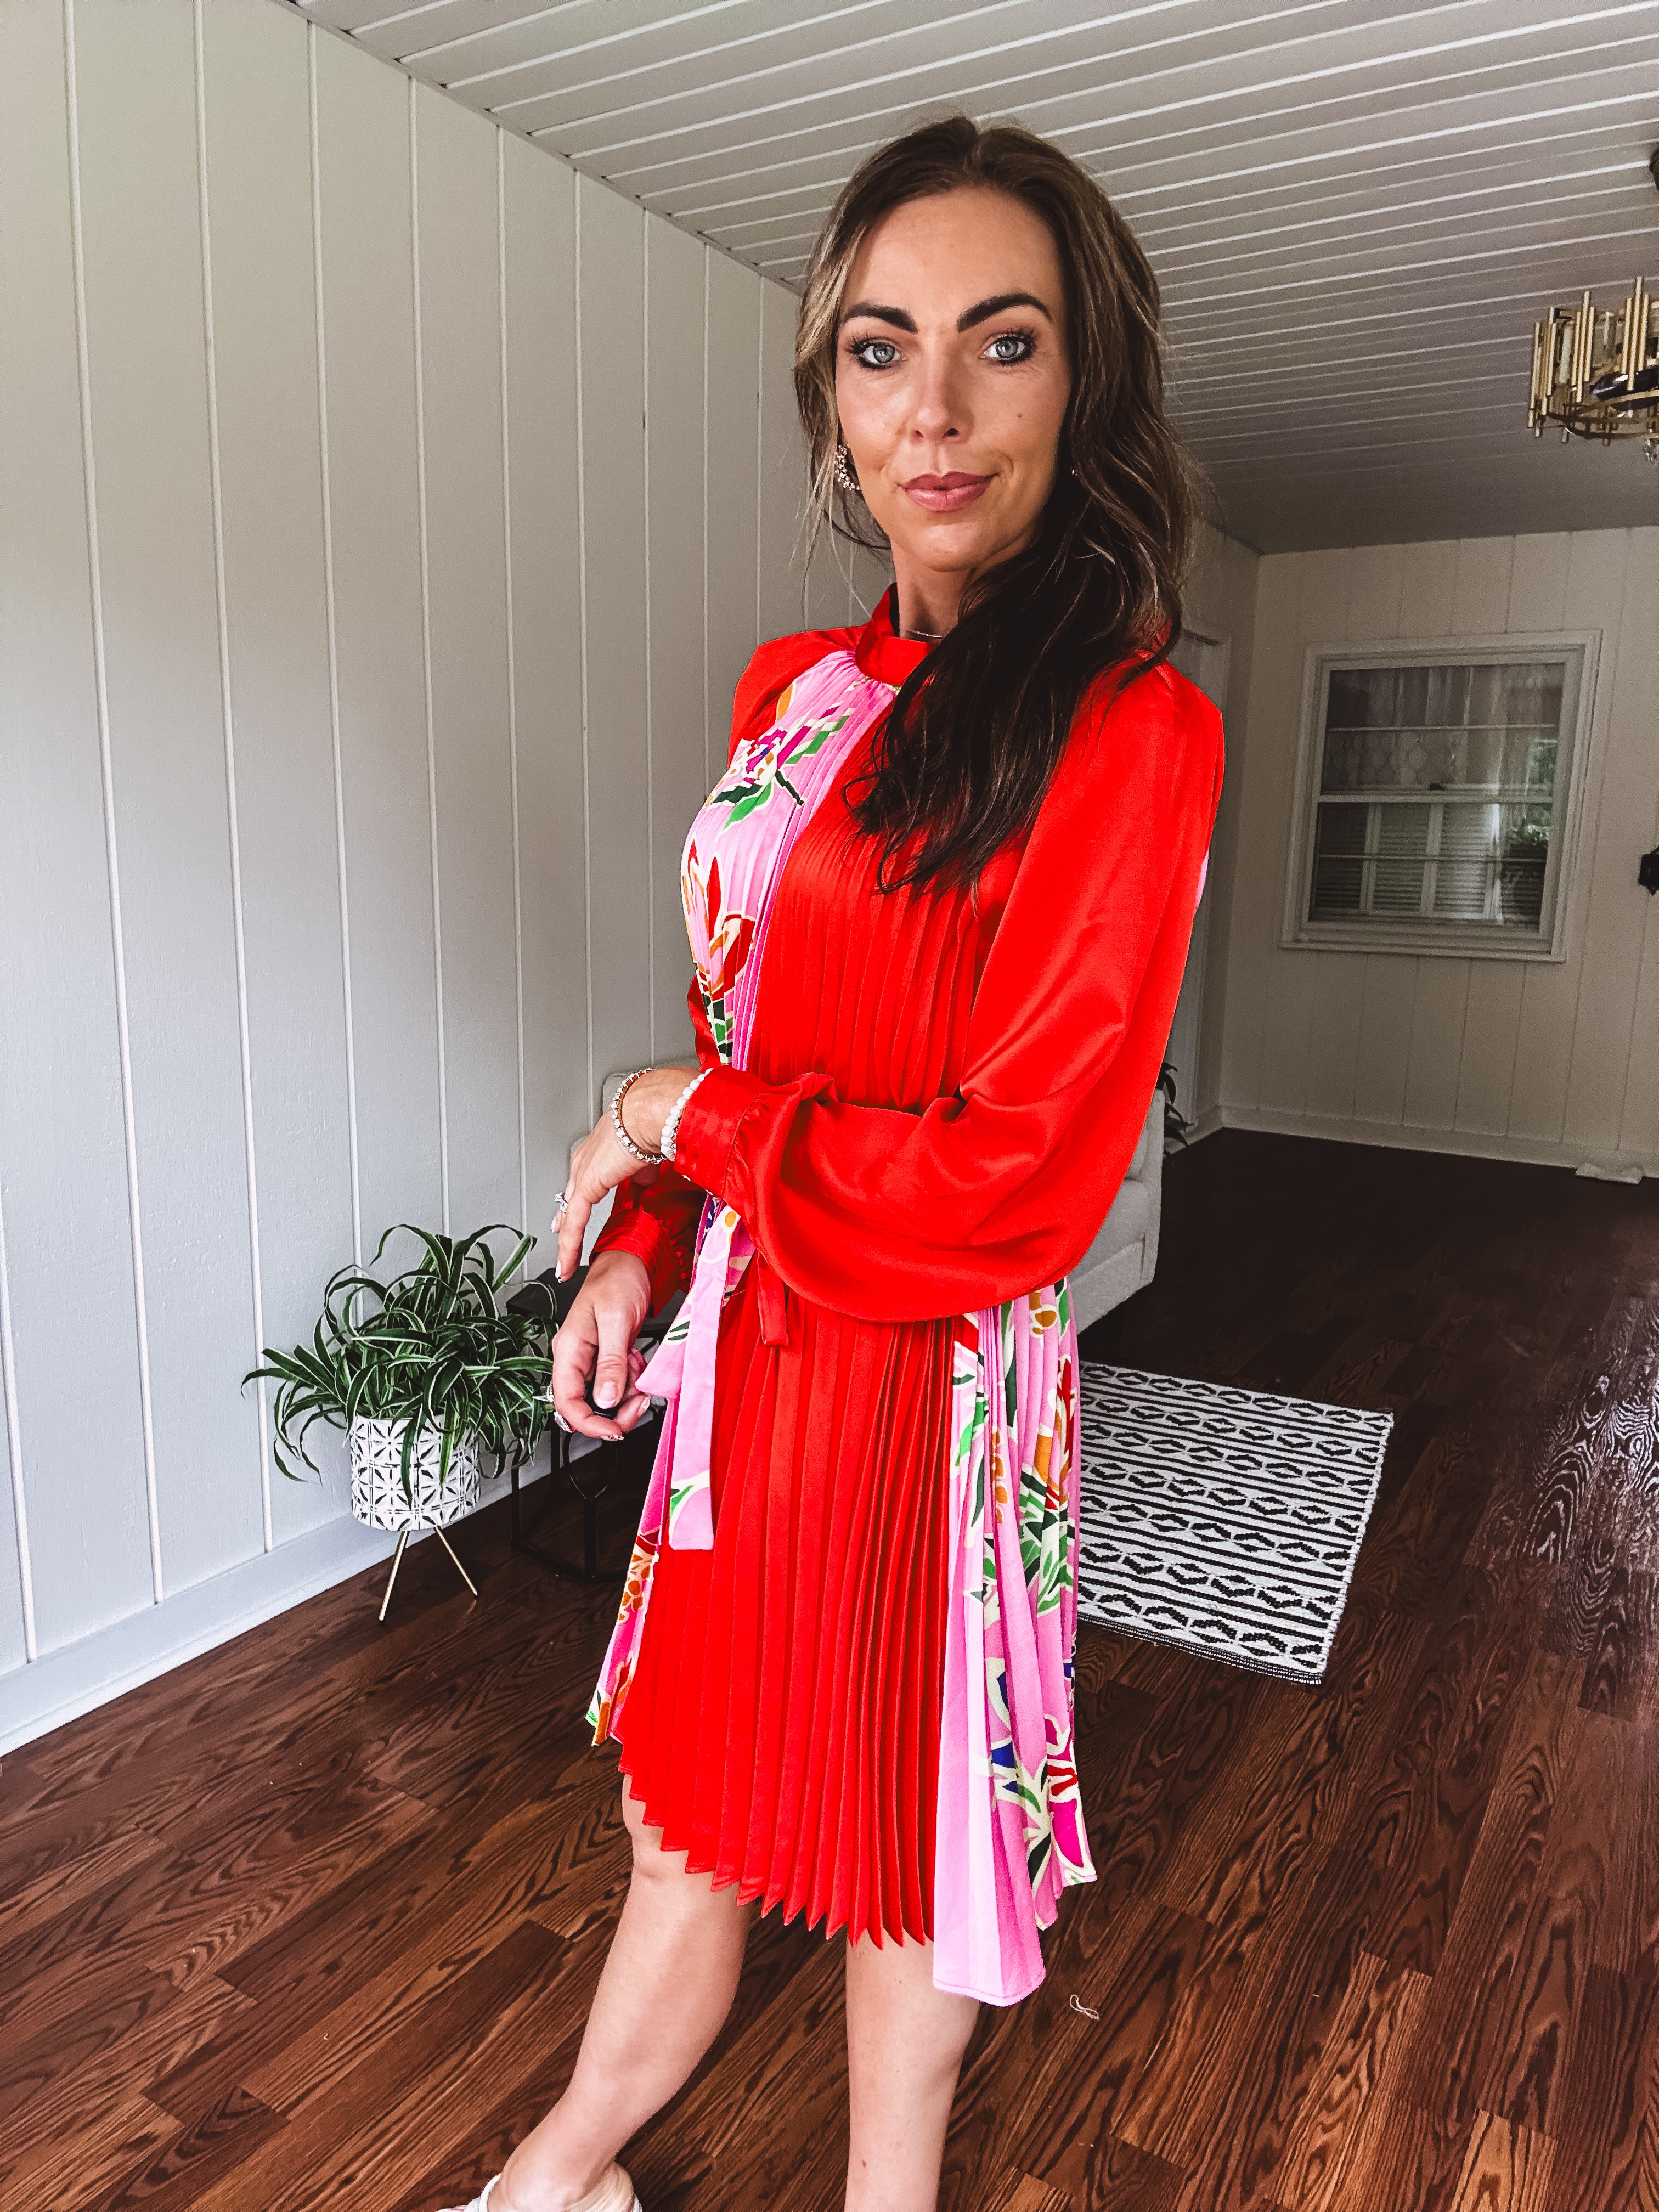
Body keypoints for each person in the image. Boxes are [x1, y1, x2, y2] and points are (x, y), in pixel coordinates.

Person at [444, 112, 1221, 2212]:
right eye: (883, 350)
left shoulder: (1130, 726)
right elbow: (754, 1036)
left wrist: (659, 1118)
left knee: (912, 1859)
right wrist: (648, 1238)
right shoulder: (791, 691)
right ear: (833, 399)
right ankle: (562, 2177)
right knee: (682, 1821)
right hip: (750, 1363)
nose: (935, 408)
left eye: (1004, 342)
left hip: (935, 1392)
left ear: (1088, 380)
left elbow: (1011, 1188)